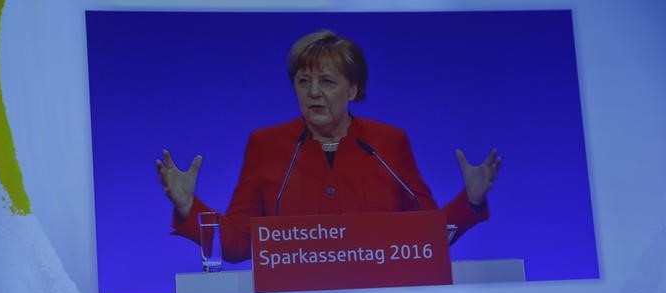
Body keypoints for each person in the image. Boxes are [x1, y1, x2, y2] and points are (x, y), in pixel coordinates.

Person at [156, 30, 501, 262]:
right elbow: (235, 245)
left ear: (352, 90)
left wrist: (470, 200)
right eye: (303, 82)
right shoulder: (266, 145)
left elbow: (427, 237)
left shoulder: (386, 143)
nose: (313, 93)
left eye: (327, 82)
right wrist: (189, 206)